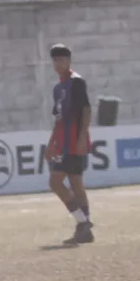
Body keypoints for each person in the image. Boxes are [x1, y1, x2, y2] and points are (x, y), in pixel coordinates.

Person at [44, 44, 94, 245]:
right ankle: (85, 228)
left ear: (69, 61)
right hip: (63, 142)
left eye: (62, 59)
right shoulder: (58, 88)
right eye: (55, 60)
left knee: (59, 182)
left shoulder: (76, 82)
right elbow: (58, 119)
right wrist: (51, 143)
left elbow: (86, 110)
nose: (58, 63)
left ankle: (83, 223)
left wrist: (82, 137)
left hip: (74, 141)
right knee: (74, 182)